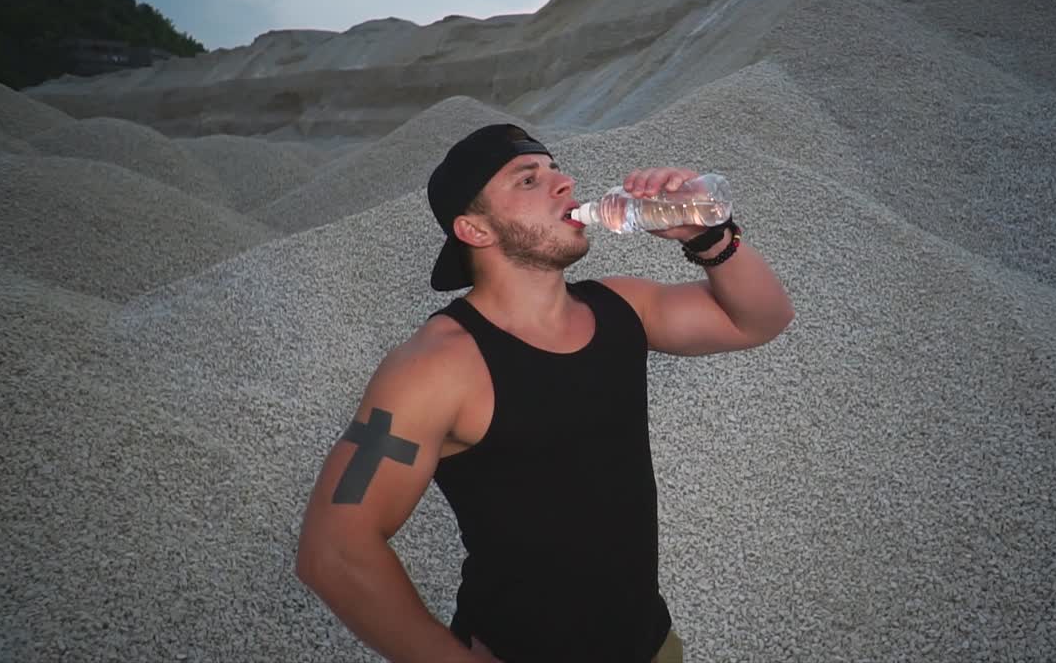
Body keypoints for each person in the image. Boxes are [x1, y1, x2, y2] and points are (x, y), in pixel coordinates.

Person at [295, 124, 795, 663]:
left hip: (653, 646)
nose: (563, 182)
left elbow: (761, 320)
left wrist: (708, 234)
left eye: (556, 169)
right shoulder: (434, 368)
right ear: (475, 229)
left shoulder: (621, 306)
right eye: (528, 179)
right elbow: (335, 550)